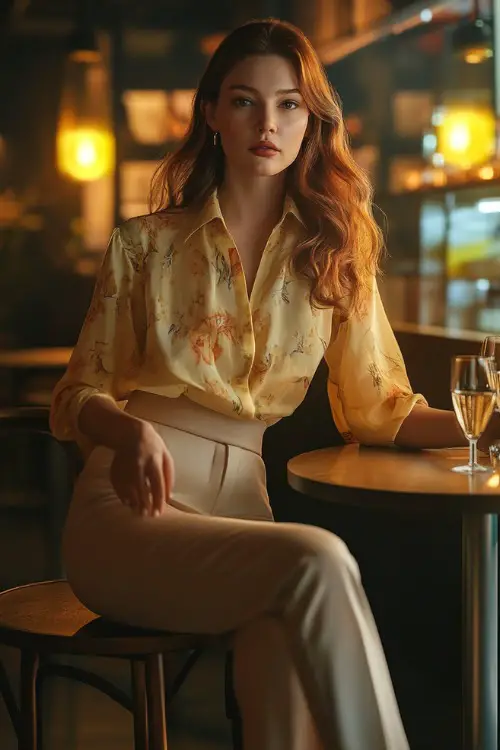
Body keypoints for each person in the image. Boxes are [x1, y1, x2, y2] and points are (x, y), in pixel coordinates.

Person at [50, 18, 499, 750]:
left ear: (312, 120)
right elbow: (73, 397)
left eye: (289, 104)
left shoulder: (336, 252)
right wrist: (127, 428)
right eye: (244, 101)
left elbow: (380, 409)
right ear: (212, 115)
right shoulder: (146, 245)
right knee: (318, 559)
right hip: (131, 509)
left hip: (242, 513)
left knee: (284, 643)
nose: (268, 123)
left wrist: (487, 423)